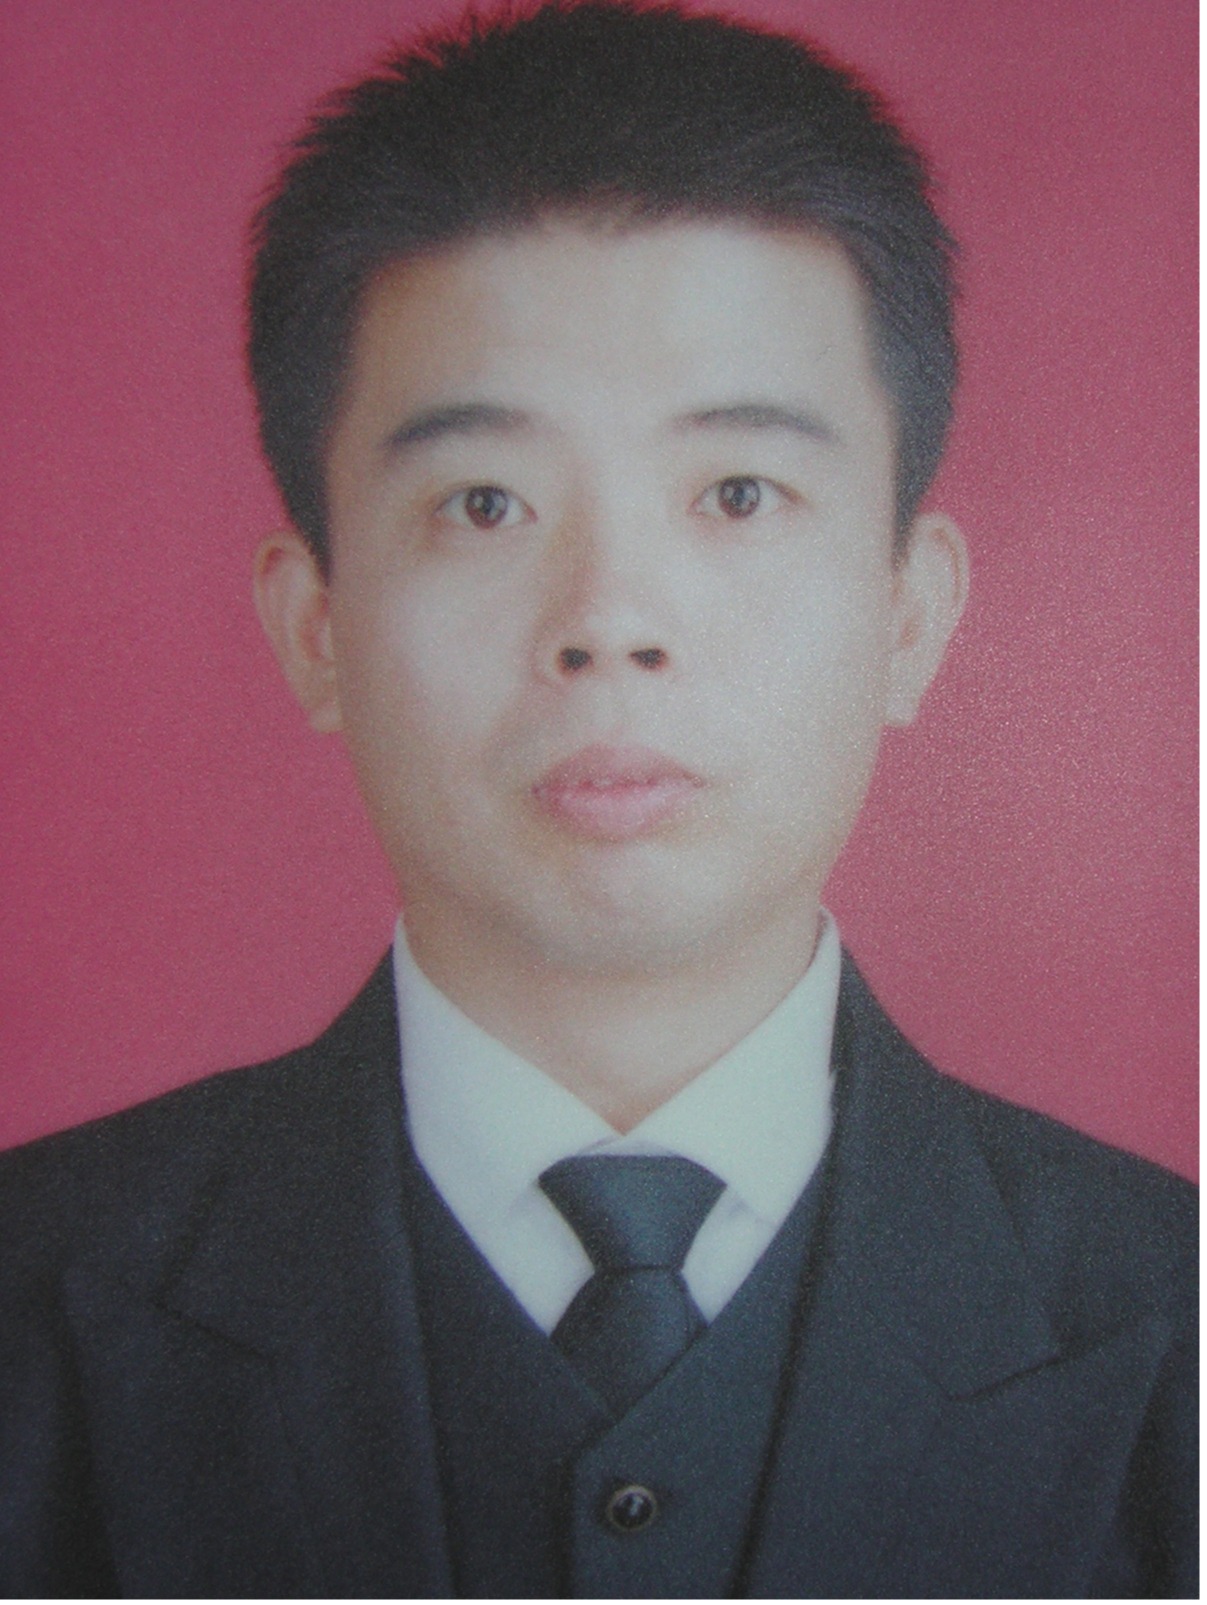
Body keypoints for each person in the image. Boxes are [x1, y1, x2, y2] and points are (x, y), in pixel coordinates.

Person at [0, 2, 1194, 1595]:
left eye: (739, 492)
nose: (610, 619)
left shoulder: (1173, 1316)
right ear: (315, 628)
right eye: (485, 502)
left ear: (910, 613)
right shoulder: (31, 1297)